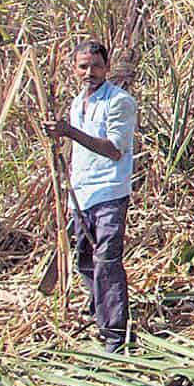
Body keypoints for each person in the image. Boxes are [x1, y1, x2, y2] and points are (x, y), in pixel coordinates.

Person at [41, 41, 137, 353]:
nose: (89, 72)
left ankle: (116, 335)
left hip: (110, 190)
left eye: (96, 66)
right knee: (85, 259)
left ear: (106, 68)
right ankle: (101, 309)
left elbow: (113, 149)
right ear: (75, 69)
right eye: (83, 66)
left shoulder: (120, 102)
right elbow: (77, 150)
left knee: (107, 260)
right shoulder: (75, 103)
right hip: (81, 193)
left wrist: (69, 132)